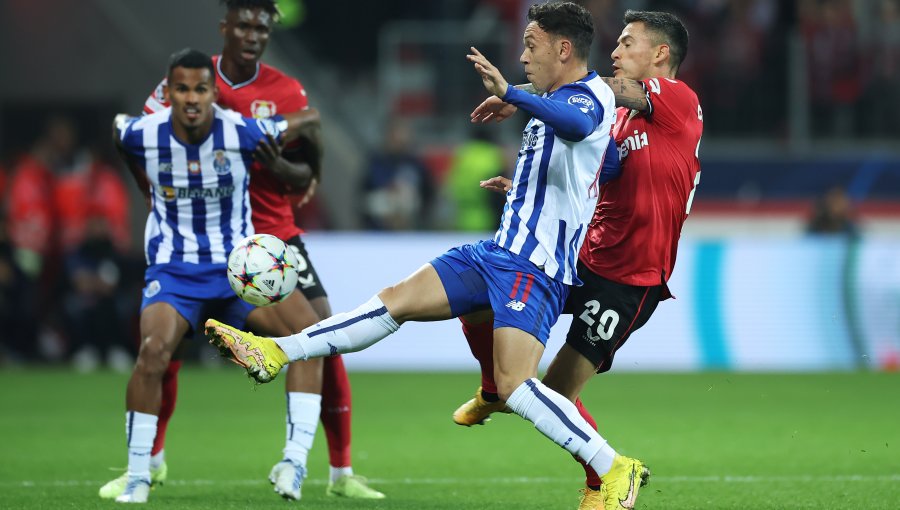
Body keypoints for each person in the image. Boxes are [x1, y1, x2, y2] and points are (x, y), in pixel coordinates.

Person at [206, 2, 644, 507]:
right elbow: (605, 163)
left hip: (533, 267)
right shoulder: (563, 104)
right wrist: (533, 187)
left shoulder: (586, 97)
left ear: (563, 49)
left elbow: (576, 125)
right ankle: (276, 351)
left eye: (531, 45)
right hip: (498, 251)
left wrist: (513, 96)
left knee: (516, 386)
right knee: (395, 300)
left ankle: (613, 468)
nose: (522, 56)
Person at [133, 0, 383, 501]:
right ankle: (150, 461)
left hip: (272, 241)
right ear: (225, 27)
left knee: (324, 334)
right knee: (166, 347)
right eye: (243, 25)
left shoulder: (286, 90)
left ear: (268, 34)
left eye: (261, 28)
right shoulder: (193, 81)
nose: (252, 35)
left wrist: (283, 167)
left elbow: (305, 174)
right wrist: (152, 191)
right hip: (199, 237)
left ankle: (339, 470)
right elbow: (142, 139)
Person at [455, 10, 703, 509]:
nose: (615, 52)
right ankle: (493, 388)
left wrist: (528, 94)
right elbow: (590, 174)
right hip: (583, 256)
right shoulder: (623, 120)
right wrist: (528, 187)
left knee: (556, 393)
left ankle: (605, 482)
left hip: (629, 278)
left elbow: (597, 91)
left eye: (628, 44)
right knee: (478, 291)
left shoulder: (676, 98)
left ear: (660, 55)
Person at [104, 48, 324, 504]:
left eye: (201, 89)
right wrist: (148, 192)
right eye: (181, 89)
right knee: (153, 353)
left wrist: (312, 174)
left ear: (212, 93)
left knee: (311, 338)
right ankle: (138, 475)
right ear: (167, 93)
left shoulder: (242, 131)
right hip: (175, 270)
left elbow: (308, 118)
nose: (191, 98)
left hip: (237, 271)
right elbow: (118, 133)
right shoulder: (142, 133)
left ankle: (294, 462)